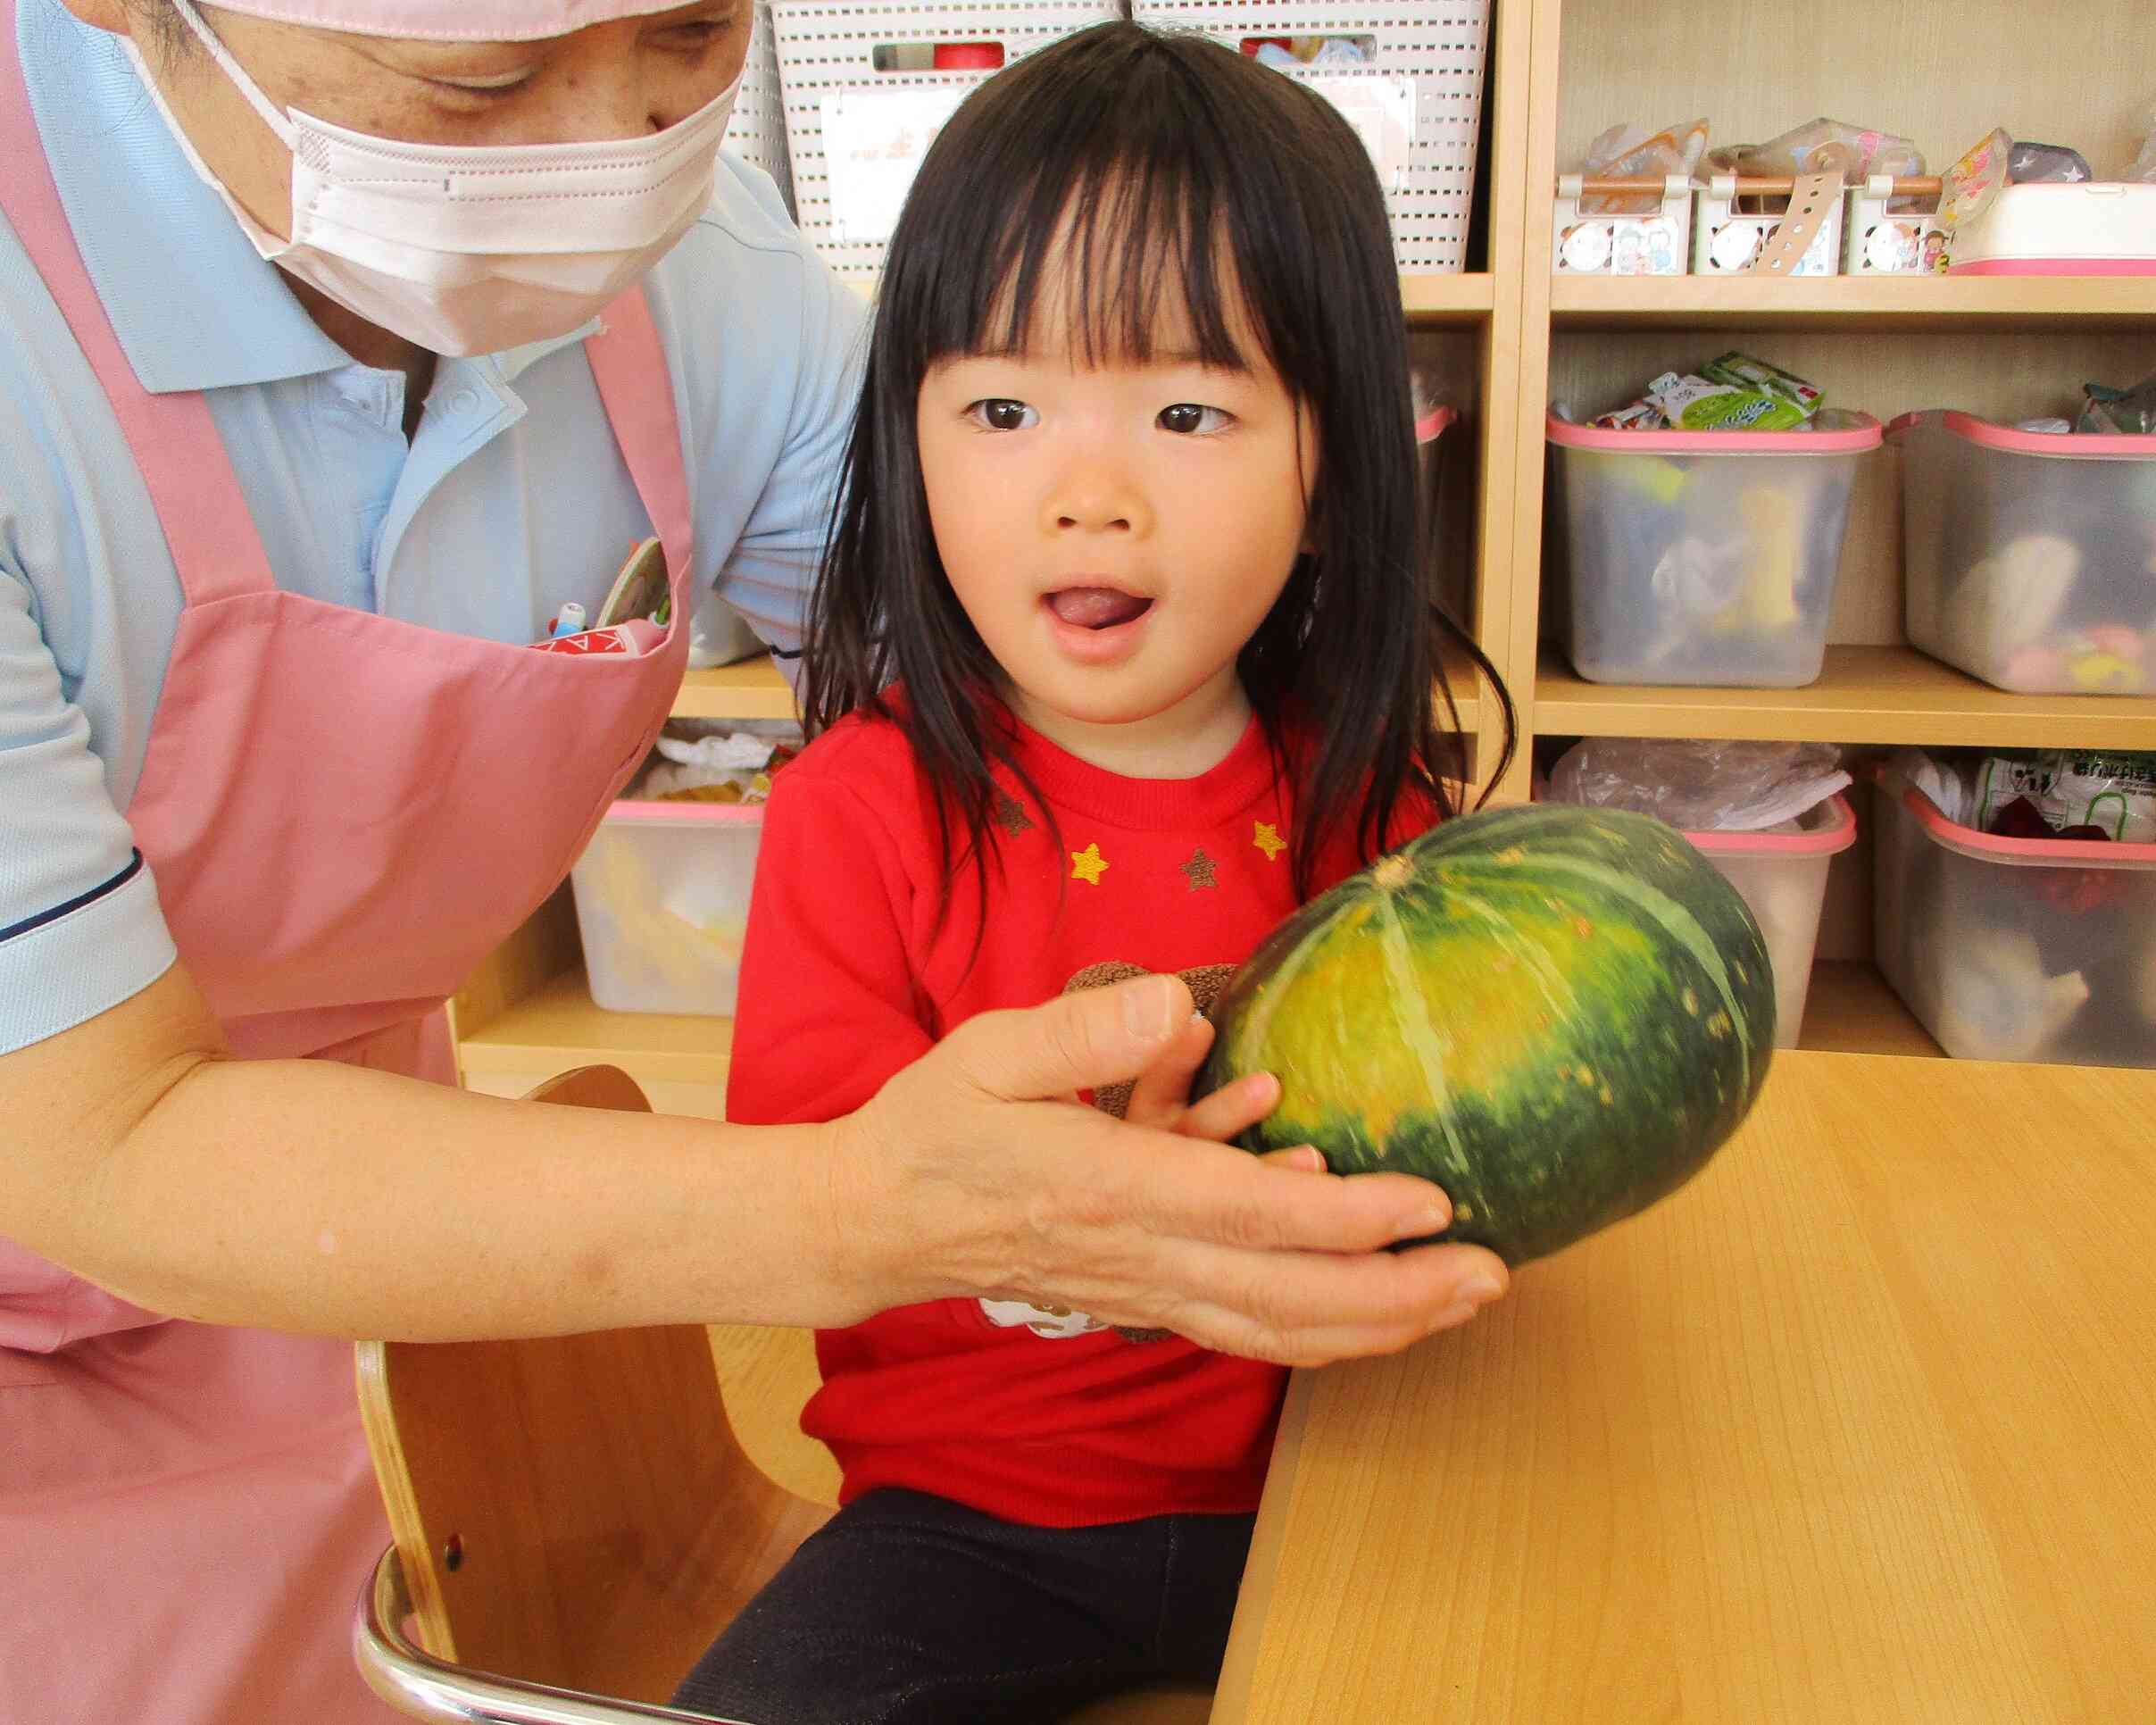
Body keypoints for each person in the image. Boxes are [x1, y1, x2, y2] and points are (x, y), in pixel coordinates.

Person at [0, 4, 1513, 1721]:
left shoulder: (713, 282)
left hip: (407, 1226)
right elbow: (90, 1138)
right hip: (107, 1250)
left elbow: (974, 609)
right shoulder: (864, 817)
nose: (609, 140)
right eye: (483, 78)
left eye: (692, 33)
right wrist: (976, 1221)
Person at [677, 24, 1521, 1723]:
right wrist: (1061, 1209)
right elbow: (811, 1200)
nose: (1087, 495)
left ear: (1336, 457)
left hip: (1341, 1481)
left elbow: (1465, 1152)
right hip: (963, 1528)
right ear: (905, 445)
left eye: (1190, 408)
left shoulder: (1376, 816)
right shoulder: (860, 808)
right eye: (1001, 405)